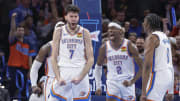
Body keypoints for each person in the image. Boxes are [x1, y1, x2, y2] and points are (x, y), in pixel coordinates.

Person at [50, 5, 94, 101]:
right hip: (64, 70)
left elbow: (90, 59)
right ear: (65, 17)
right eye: (71, 16)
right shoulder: (59, 31)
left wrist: (80, 76)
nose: (74, 19)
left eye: (76, 16)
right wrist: (58, 77)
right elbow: (53, 57)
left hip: (79, 70)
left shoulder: (85, 32)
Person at [95, 22, 143, 101]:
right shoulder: (104, 47)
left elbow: (142, 67)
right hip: (112, 82)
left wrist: (132, 81)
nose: (110, 31)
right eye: (109, 29)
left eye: (113, 29)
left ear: (120, 31)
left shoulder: (129, 45)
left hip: (127, 83)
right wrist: (98, 86)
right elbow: (98, 66)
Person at [141, 13, 174, 101]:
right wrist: (170, 90)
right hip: (168, 75)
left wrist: (143, 92)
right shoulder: (165, 37)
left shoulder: (152, 38)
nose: (143, 24)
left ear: (148, 24)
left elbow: (147, 66)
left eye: (144, 22)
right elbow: (170, 63)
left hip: (157, 76)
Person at [30, 22, 64, 101]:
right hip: (51, 81)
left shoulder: (72, 47)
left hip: (67, 81)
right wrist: (34, 85)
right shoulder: (47, 47)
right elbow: (34, 68)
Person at [7, 12, 36, 98]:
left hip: (24, 69)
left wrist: (30, 71)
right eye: (18, 30)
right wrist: (13, 19)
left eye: (22, 30)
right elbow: (12, 29)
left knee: (24, 89)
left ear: (24, 32)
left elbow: (30, 58)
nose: (20, 31)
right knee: (13, 88)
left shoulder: (28, 44)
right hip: (13, 68)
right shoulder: (13, 41)